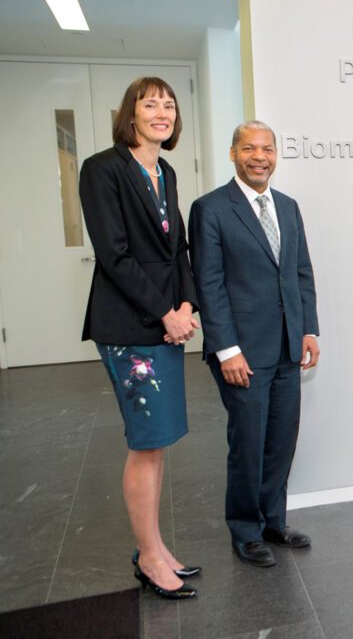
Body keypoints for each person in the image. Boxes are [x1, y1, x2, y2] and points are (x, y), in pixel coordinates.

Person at [80, 77, 201, 599]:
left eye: (169, 105)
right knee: (145, 442)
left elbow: (178, 250)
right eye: (150, 104)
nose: (162, 112)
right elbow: (114, 254)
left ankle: (153, 546)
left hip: (166, 321)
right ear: (130, 114)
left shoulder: (165, 171)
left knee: (157, 442)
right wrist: (165, 312)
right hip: (129, 324)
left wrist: (188, 304)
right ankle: (149, 558)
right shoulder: (101, 169)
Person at [189, 121, 320, 567]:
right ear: (233, 154)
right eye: (249, 148)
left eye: (267, 149)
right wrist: (226, 349)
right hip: (241, 352)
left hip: (286, 347)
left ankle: (272, 522)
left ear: (276, 155)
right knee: (248, 442)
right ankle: (245, 531)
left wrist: (308, 329)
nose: (259, 157)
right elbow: (208, 284)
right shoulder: (210, 209)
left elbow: (300, 272)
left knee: (281, 440)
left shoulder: (288, 207)